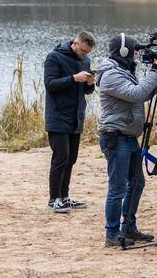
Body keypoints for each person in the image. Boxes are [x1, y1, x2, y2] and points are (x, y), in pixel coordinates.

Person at [96, 33, 157, 247]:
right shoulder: (110, 74)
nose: (136, 55)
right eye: (134, 51)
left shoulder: (123, 71)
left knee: (136, 183)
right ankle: (111, 234)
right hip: (115, 137)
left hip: (127, 136)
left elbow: (141, 95)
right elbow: (136, 94)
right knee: (117, 188)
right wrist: (155, 72)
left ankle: (129, 228)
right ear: (124, 51)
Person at [43, 31, 96, 213]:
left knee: (71, 159)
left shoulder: (86, 61)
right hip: (57, 116)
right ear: (75, 43)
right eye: (83, 51)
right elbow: (49, 84)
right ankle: (53, 200)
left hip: (76, 117)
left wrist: (90, 84)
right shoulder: (54, 57)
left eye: (87, 52)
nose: (85, 55)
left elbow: (86, 92)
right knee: (61, 157)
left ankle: (64, 197)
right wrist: (74, 78)